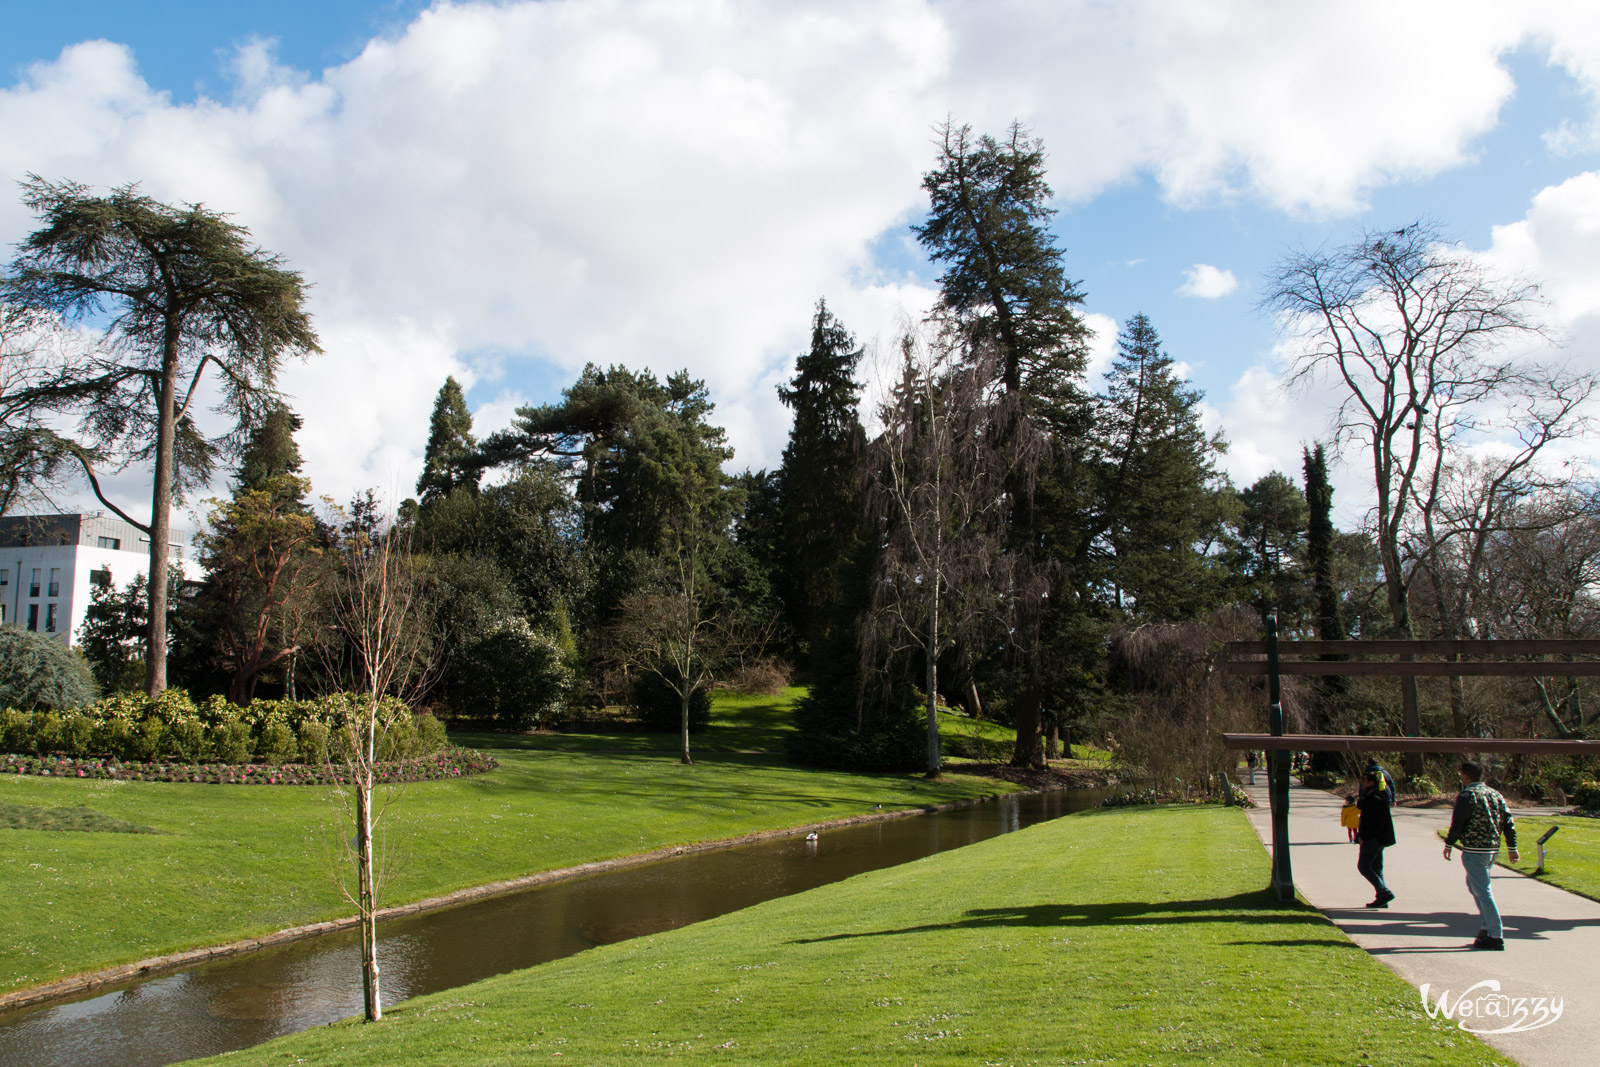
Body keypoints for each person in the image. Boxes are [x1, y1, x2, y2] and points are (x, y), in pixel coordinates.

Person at [1442, 760, 1519, 951]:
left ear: (1466, 775)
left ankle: (1495, 934)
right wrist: (1512, 846)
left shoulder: (1467, 795)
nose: (1460, 777)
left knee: (1483, 891)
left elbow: (1458, 821)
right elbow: (1508, 821)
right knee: (1474, 885)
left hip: (1474, 849)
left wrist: (1449, 843)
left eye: (1461, 774)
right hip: (1492, 848)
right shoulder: (1495, 794)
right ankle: (1486, 927)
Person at [1355, 770, 1396, 907]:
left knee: (1364, 866)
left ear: (1371, 782)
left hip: (1374, 838)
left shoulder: (1374, 798)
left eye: (1364, 780)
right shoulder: (1373, 796)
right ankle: (1382, 899)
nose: (1361, 782)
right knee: (1376, 868)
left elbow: (1373, 822)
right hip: (1379, 838)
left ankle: (1384, 892)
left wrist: (1363, 837)